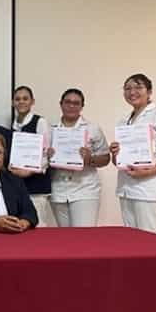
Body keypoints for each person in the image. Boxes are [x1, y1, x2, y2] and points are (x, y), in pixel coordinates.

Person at [109, 74, 156, 235]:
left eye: (138, 87)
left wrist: (149, 171)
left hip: (151, 190)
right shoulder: (123, 121)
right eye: (127, 88)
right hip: (127, 189)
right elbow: (119, 163)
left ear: (149, 91)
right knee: (132, 243)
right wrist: (115, 154)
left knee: (152, 244)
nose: (132, 92)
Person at [48, 89, 110, 227]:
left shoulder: (93, 128)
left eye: (76, 103)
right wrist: (47, 156)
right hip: (58, 188)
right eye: (68, 102)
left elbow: (106, 158)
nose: (71, 106)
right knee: (65, 237)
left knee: (84, 236)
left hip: (85, 188)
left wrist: (90, 159)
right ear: (61, 104)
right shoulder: (50, 128)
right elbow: (42, 157)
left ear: (82, 106)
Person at [9, 86, 56, 227]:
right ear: (13, 102)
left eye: (25, 98)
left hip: (37, 185)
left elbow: (46, 155)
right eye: (17, 99)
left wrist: (29, 171)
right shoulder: (14, 125)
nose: (21, 102)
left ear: (32, 101)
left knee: (38, 225)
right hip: (18, 185)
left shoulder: (40, 122)